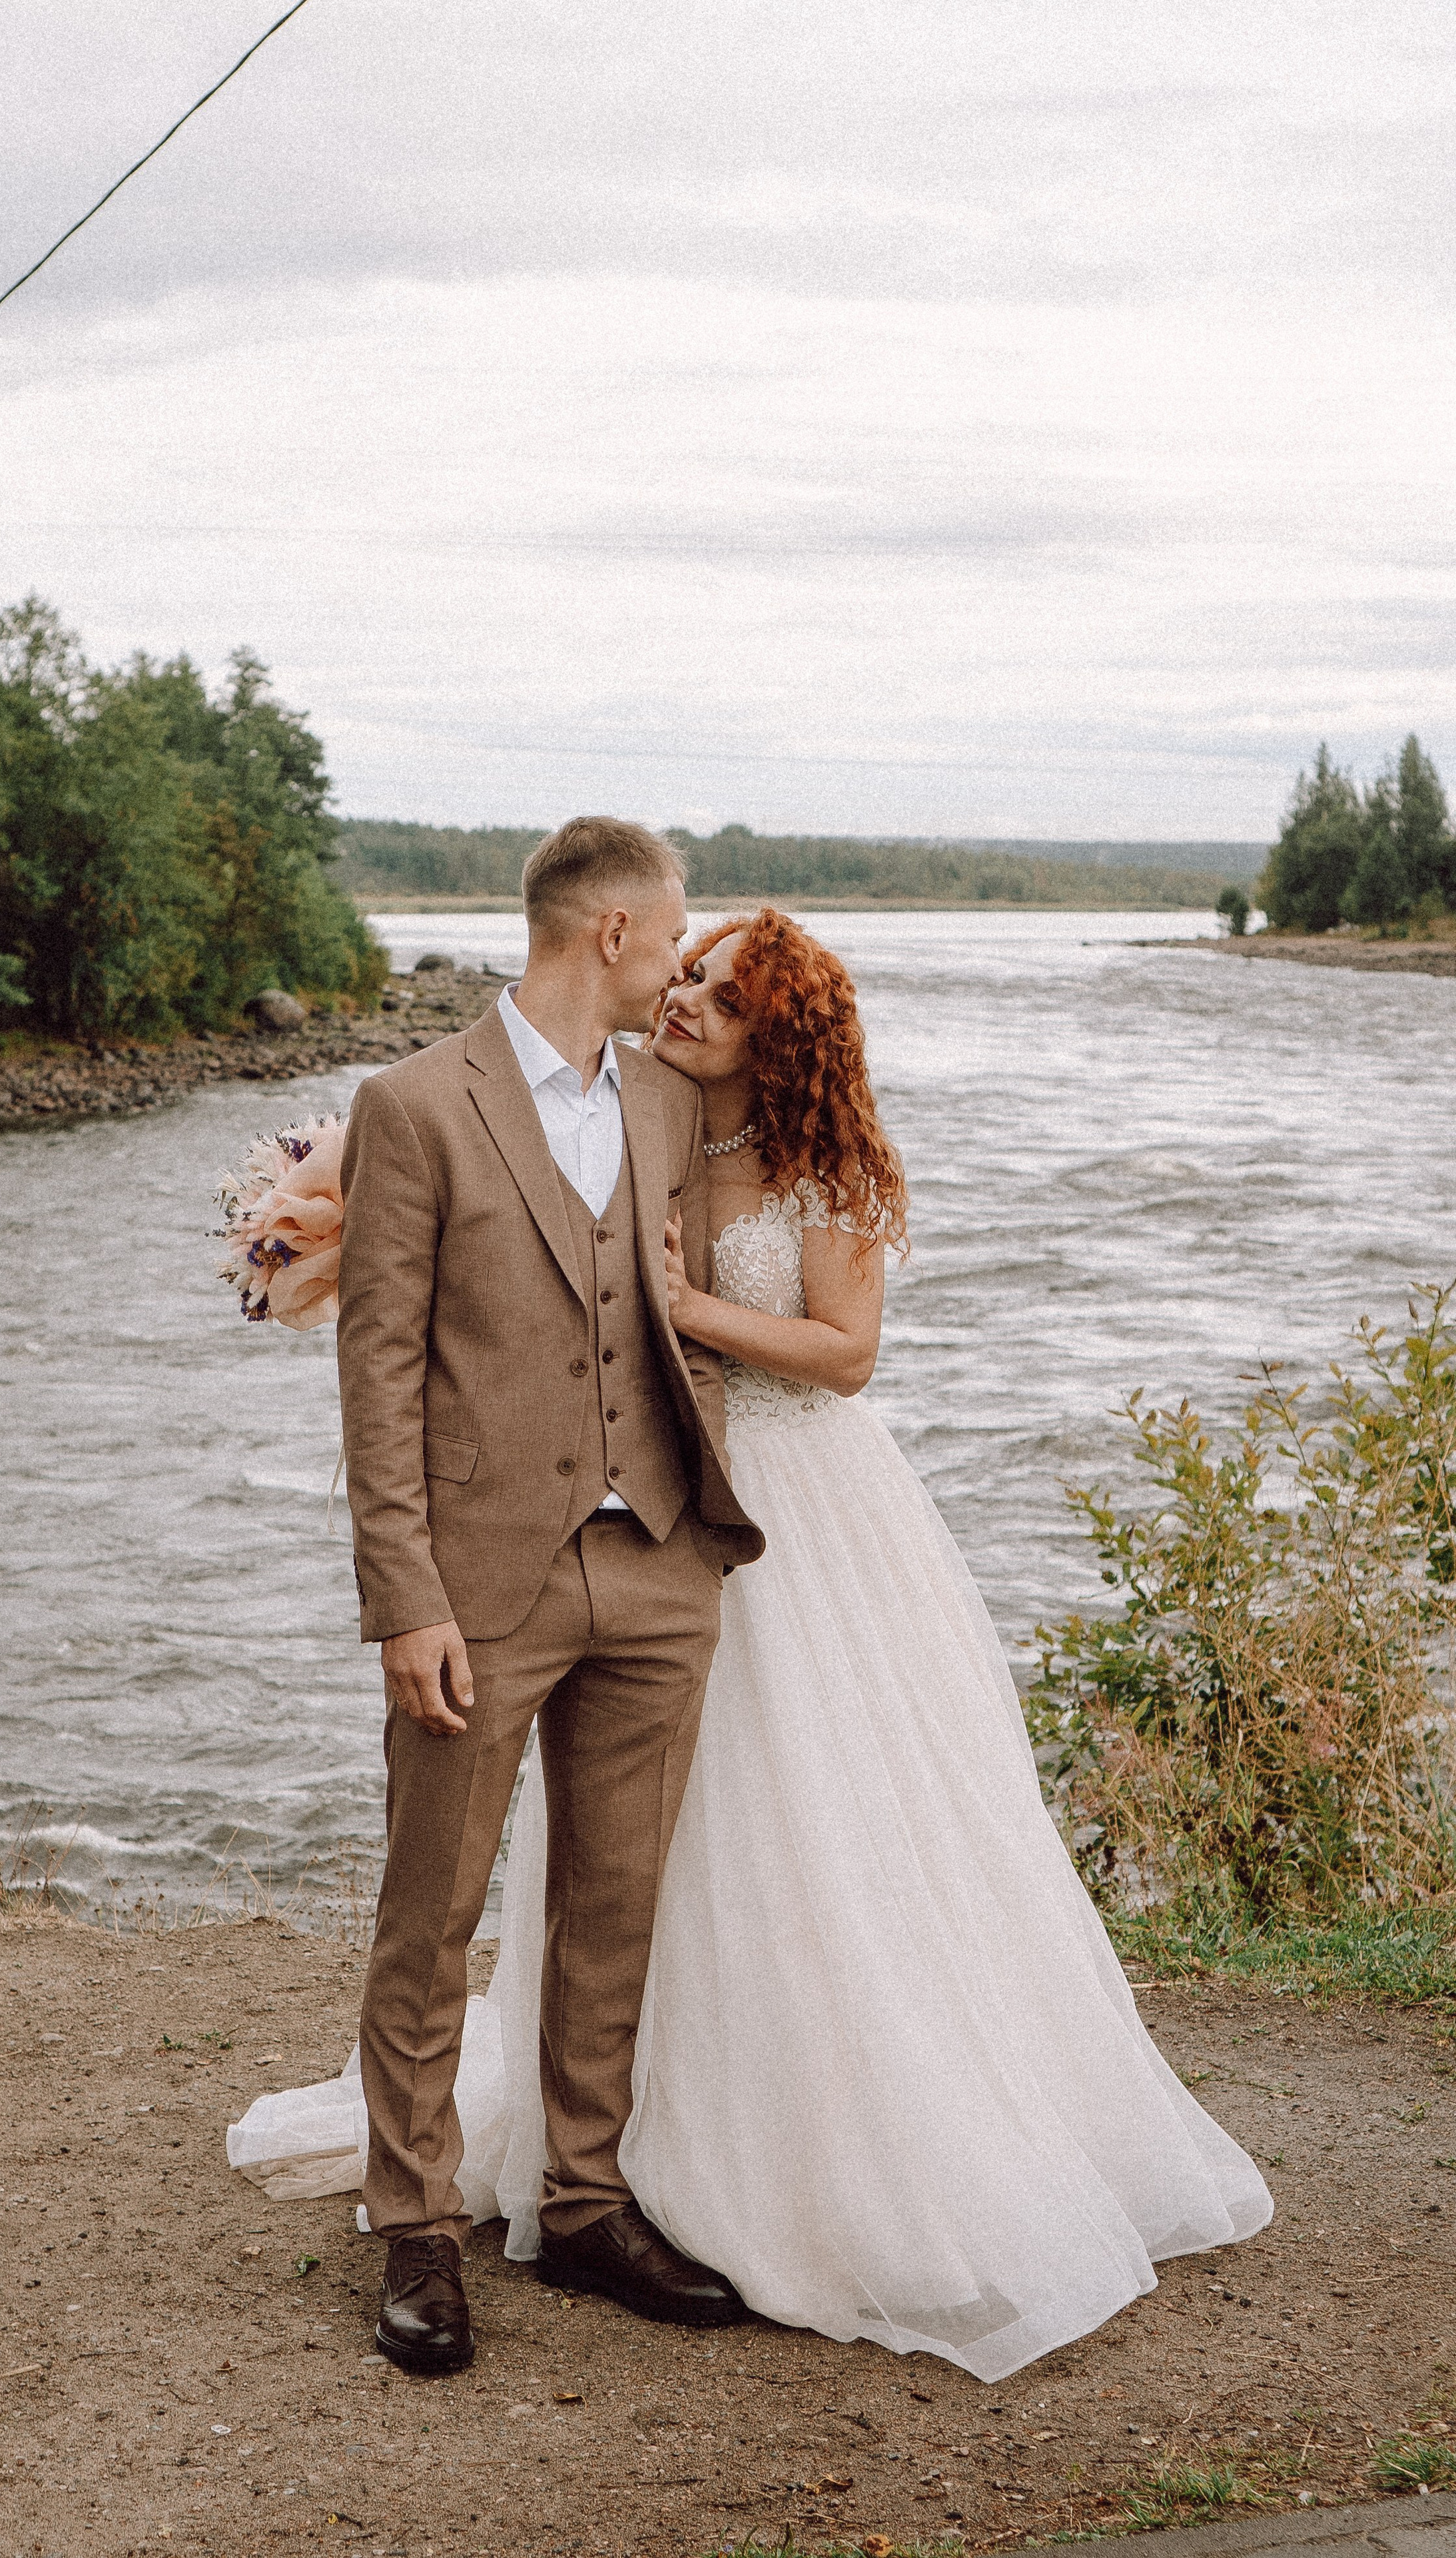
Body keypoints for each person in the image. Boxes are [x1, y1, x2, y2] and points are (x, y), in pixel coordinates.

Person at [228, 903, 1272, 2385]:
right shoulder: (626, 1107)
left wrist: (684, 1305)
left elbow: (844, 1355)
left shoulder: (824, 1162)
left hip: (799, 1519)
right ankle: (566, 2181)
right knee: (600, 1866)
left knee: (804, 1839)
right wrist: (331, 1224)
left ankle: (792, 2156)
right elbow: (488, 1212)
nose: (688, 1000)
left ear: (779, 1030)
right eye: (687, 972)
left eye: (719, 990)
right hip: (614, 1524)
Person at [326, 817, 763, 2376]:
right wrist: (404, 1598)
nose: (681, 961)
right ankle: (417, 2230)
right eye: (673, 936)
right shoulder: (412, 1105)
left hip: (655, 1563)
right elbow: (375, 1368)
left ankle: (583, 2205)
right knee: (428, 1914)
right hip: (478, 1584)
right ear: (611, 937)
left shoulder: (662, 1097)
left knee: (615, 1903)